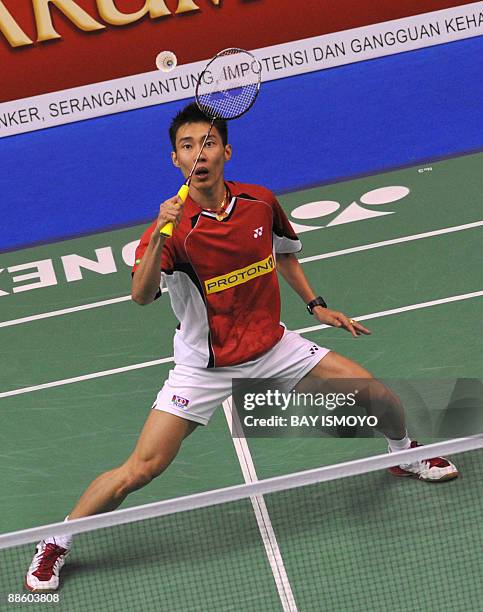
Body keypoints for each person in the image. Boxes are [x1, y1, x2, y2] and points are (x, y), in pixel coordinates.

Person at [25, 103, 458, 593]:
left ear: (225, 151)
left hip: (272, 345)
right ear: (175, 160)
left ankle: (403, 453)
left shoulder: (259, 202)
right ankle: (56, 541)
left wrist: (315, 305)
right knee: (140, 470)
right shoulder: (173, 230)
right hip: (205, 367)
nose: (198, 154)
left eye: (207, 143)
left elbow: (284, 255)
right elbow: (141, 296)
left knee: (378, 397)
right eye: (187, 146)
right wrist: (160, 232)